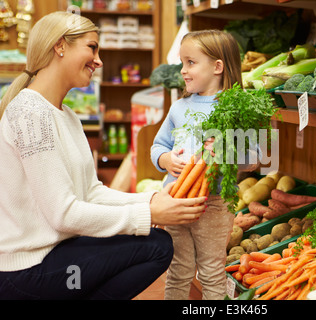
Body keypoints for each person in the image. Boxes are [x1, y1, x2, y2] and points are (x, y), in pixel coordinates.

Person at [0, 11, 206, 300]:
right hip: (27, 271)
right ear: (60, 46)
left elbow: (91, 192)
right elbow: (64, 214)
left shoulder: (65, 115)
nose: (99, 61)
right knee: (156, 246)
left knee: (157, 242)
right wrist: (148, 214)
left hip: (56, 254)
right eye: (92, 47)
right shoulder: (30, 114)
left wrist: (151, 200)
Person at [151, 30, 259, 300]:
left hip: (215, 203)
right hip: (177, 201)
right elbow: (158, 146)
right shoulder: (179, 108)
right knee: (178, 270)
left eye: (190, 62)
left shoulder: (236, 106)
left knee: (212, 271)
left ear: (217, 67)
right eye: (182, 63)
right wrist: (165, 160)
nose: (183, 71)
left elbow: (256, 157)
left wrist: (227, 152)